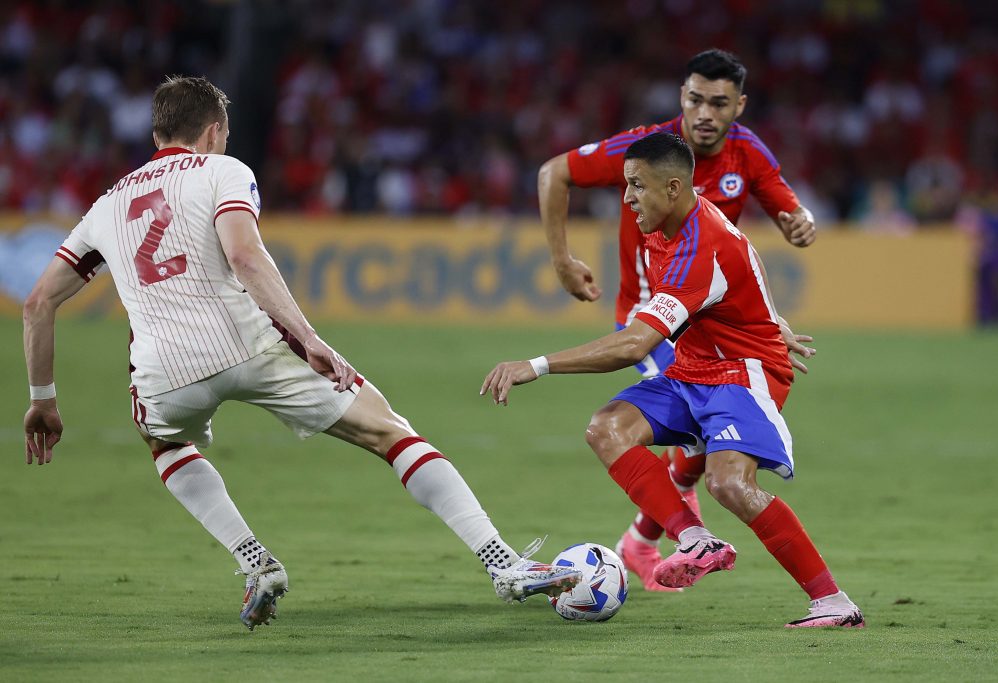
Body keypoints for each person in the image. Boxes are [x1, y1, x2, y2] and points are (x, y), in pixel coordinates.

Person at [22, 75, 581, 631]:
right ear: (215, 131)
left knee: (164, 441)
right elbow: (244, 255)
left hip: (164, 369)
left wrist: (42, 399)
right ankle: (502, 562)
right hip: (251, 342)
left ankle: (255, 563)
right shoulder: (224, 171)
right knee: (390, 431)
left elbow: (40, 302)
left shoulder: (107, 204)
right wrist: (309, 338)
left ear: (156, 132)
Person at [485, 133, 863, 628]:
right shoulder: (661, 226)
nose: (626, 198)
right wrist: (771, 315)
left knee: (727, 482)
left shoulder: (699, 242)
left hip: (743, 374)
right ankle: (692, 537)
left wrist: (534, 365)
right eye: (625, 185)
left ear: (673, 187)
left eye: (636, 186)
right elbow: (743, 264)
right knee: (607, 428)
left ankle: (834, 603)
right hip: (692, 368)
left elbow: (633, 346)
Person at [537, 49, 817, 590]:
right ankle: (674, 534)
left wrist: (797, 227)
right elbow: (553, 173)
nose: (705, 113)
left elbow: (769, 223)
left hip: (707, 318)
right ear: (680, 99)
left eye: (718, 102)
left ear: (739, 106)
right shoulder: (646, 151)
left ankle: (649, 539)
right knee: (692, 425)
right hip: (653, 320)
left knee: (698, 432)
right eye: (695, 99)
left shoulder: (747, 154)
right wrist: (561, 259)